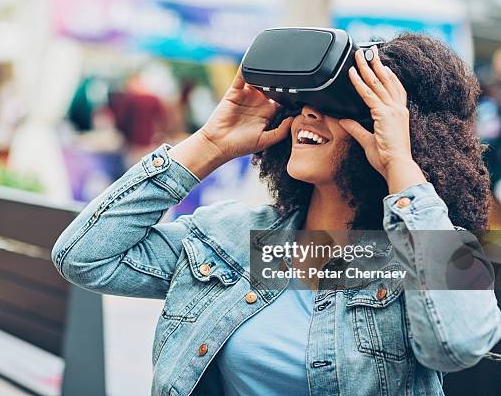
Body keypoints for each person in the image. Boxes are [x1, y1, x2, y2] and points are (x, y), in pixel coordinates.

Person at [52, 34, 501, 395]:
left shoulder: (424, 251)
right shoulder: (245, 243)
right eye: (304, 101)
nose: (309, 112)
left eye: (339, 105)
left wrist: (401, 166)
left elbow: (456, 343)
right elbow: (85, 257)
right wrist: (209, 144)